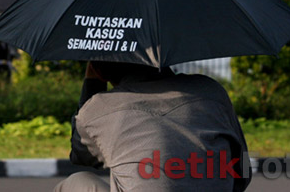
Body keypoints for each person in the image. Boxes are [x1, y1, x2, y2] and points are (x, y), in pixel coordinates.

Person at [55, 61, 251, 192]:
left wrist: (92, 83)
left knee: (74, 183)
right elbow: (242, 175)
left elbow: (81, 154)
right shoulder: (212, 91)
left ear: (99, 70)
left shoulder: (99, 109)